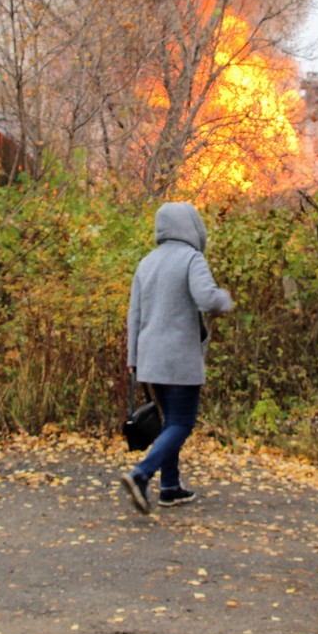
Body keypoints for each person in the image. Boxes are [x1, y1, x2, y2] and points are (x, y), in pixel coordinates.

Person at [120, 201, 233, 515]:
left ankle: (170, 487)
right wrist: (226, 300)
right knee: (182, 424)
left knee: (169, 422)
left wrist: (133, 358)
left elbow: (135, 316)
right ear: (192, 227)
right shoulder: (191, 259)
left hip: (151, 361)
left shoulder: (146, 263)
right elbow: (208, 299)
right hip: (180, 359)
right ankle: (141, 473)